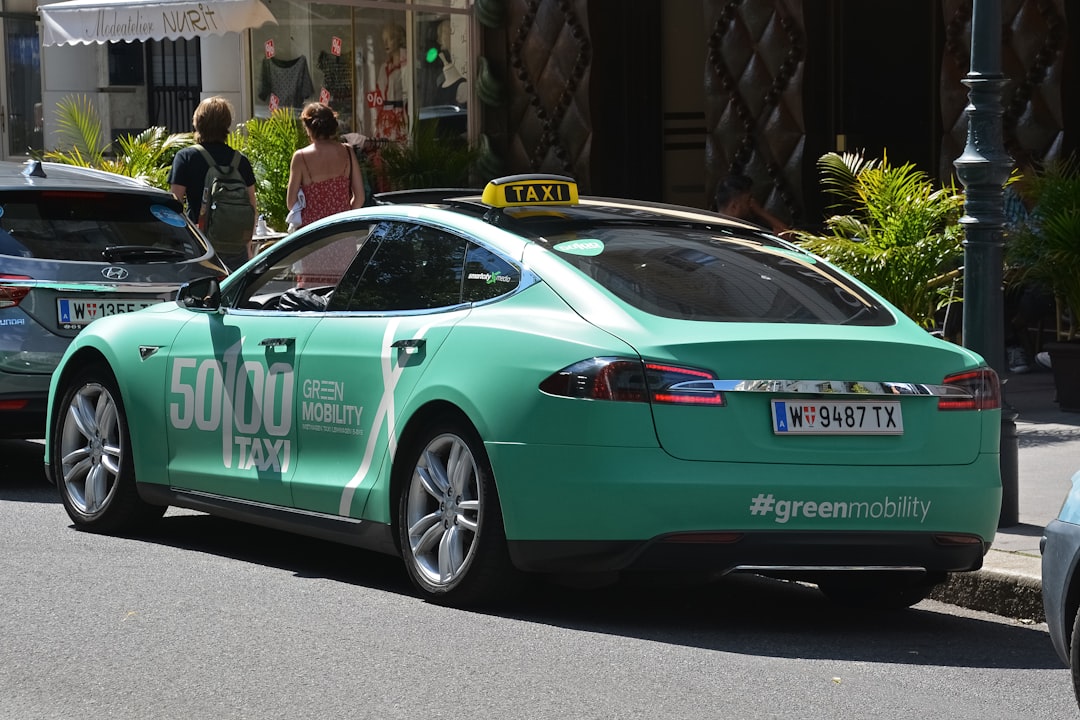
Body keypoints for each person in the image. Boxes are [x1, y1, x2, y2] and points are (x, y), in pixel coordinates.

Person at [169, 97, 257, 270]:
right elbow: (251, 204)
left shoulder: (186, 157)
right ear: (227, 124)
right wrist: (247, 245)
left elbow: (175, 202)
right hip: (235, 246)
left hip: (200, 243)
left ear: (197, 122)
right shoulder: (240, 161)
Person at [286, 102, 366, 287]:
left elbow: (291, 203)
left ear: (308, 127)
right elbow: (359, 197)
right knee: (340, 291)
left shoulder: (301, 157)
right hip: (341, 233)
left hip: (312, 235)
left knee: (311, 293)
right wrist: (342, 211)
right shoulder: (347, 151)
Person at [713, 173, 788, 235]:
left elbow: (788, 235)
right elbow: (787, 236)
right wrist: (761, 212)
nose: (752, 205)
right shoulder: (748, 231)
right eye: (748, 201)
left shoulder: (709, 228)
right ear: (734, 206)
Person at [375, 23, 408, 142]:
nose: (386, 44)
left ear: (398, 39)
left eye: (390, 39)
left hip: (401, 115)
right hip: (384, 117)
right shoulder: (384, 67)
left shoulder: (406, 64)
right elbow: (378, 94)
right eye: (384, 40)